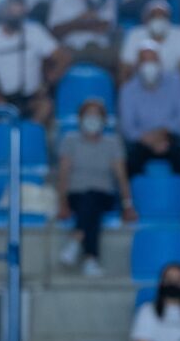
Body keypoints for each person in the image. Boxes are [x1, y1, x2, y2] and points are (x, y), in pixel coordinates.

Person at [57, 97, 136, 276]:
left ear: (104, 119)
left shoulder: (113, 143)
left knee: (92, 198)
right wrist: (62, 203)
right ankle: (90, 258)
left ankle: (76, 240)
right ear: (80, 118)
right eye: (88, 114)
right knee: (89, 203)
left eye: (96, 115)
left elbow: (121, 176)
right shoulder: (70, 140)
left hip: (104, 196)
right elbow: (63, 174)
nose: (92, 119)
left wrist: (127, 205)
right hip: (76, 195)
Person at [0, 0, 70, 124]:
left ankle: (31, 137)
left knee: (46, 107)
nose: (14, 15)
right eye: (11, 10)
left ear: (25, 12)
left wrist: (48, 82)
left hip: (33, 98)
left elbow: (63, 57)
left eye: (18, 11)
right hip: (2, 99)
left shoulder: (35, 32)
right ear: (3, 11)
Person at [118, 42, 180, 178]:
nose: (149, 65)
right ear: (137, 65)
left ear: (160, 62)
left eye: (152, 60)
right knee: (132, 159)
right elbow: (127, 126)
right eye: (144, 61)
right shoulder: (127, 90)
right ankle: (135, 197)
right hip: (141, 141)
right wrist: (148, 138)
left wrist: (163, 133)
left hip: (170, 137)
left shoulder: (175, 82)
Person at [47, 0, 119, 72]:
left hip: (100, 49)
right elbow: (55, 30)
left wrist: (73, 26)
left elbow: (105, 27)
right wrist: (82, 20)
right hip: (71, 49)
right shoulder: (59, 0)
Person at [120, 0, 180, 103]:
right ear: (145, 19)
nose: (158, 19)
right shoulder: (135, 34)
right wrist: (125, 95)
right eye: (154, 15)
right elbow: (125, 67)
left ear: (169, 19)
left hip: (172, 84)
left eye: (162, 15)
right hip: (140, 83)